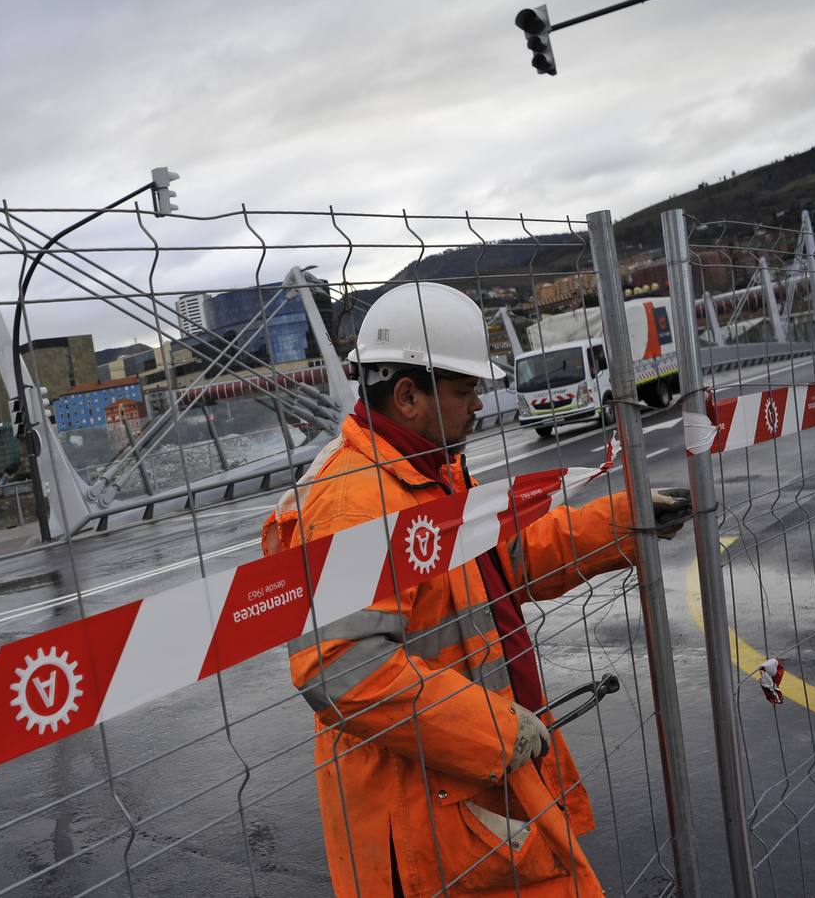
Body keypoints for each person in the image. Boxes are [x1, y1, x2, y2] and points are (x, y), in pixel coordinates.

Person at [260, 282, 690, 898]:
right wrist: (496, 730)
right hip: (426, 827)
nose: (479, 407)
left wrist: (622, 520)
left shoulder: (428, 472)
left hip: (465, 797)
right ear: (408, 395)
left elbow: (505, 562)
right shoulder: (354, 500)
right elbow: (344, 669)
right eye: (465, 392)